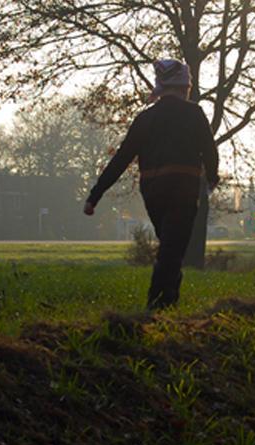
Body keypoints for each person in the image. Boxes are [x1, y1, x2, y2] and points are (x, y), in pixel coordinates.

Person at [83, 59, 219, 310]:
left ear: (160, 87)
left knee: (170, 245)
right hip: (184, 186)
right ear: (185, 87)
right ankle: (157, 304)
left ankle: (169, 301)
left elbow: (121, 158)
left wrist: (95, 195)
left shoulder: (145, 118)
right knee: (172, 247)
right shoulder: (194, 113)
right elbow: (210, 151)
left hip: (153, 190)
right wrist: (211, 178)